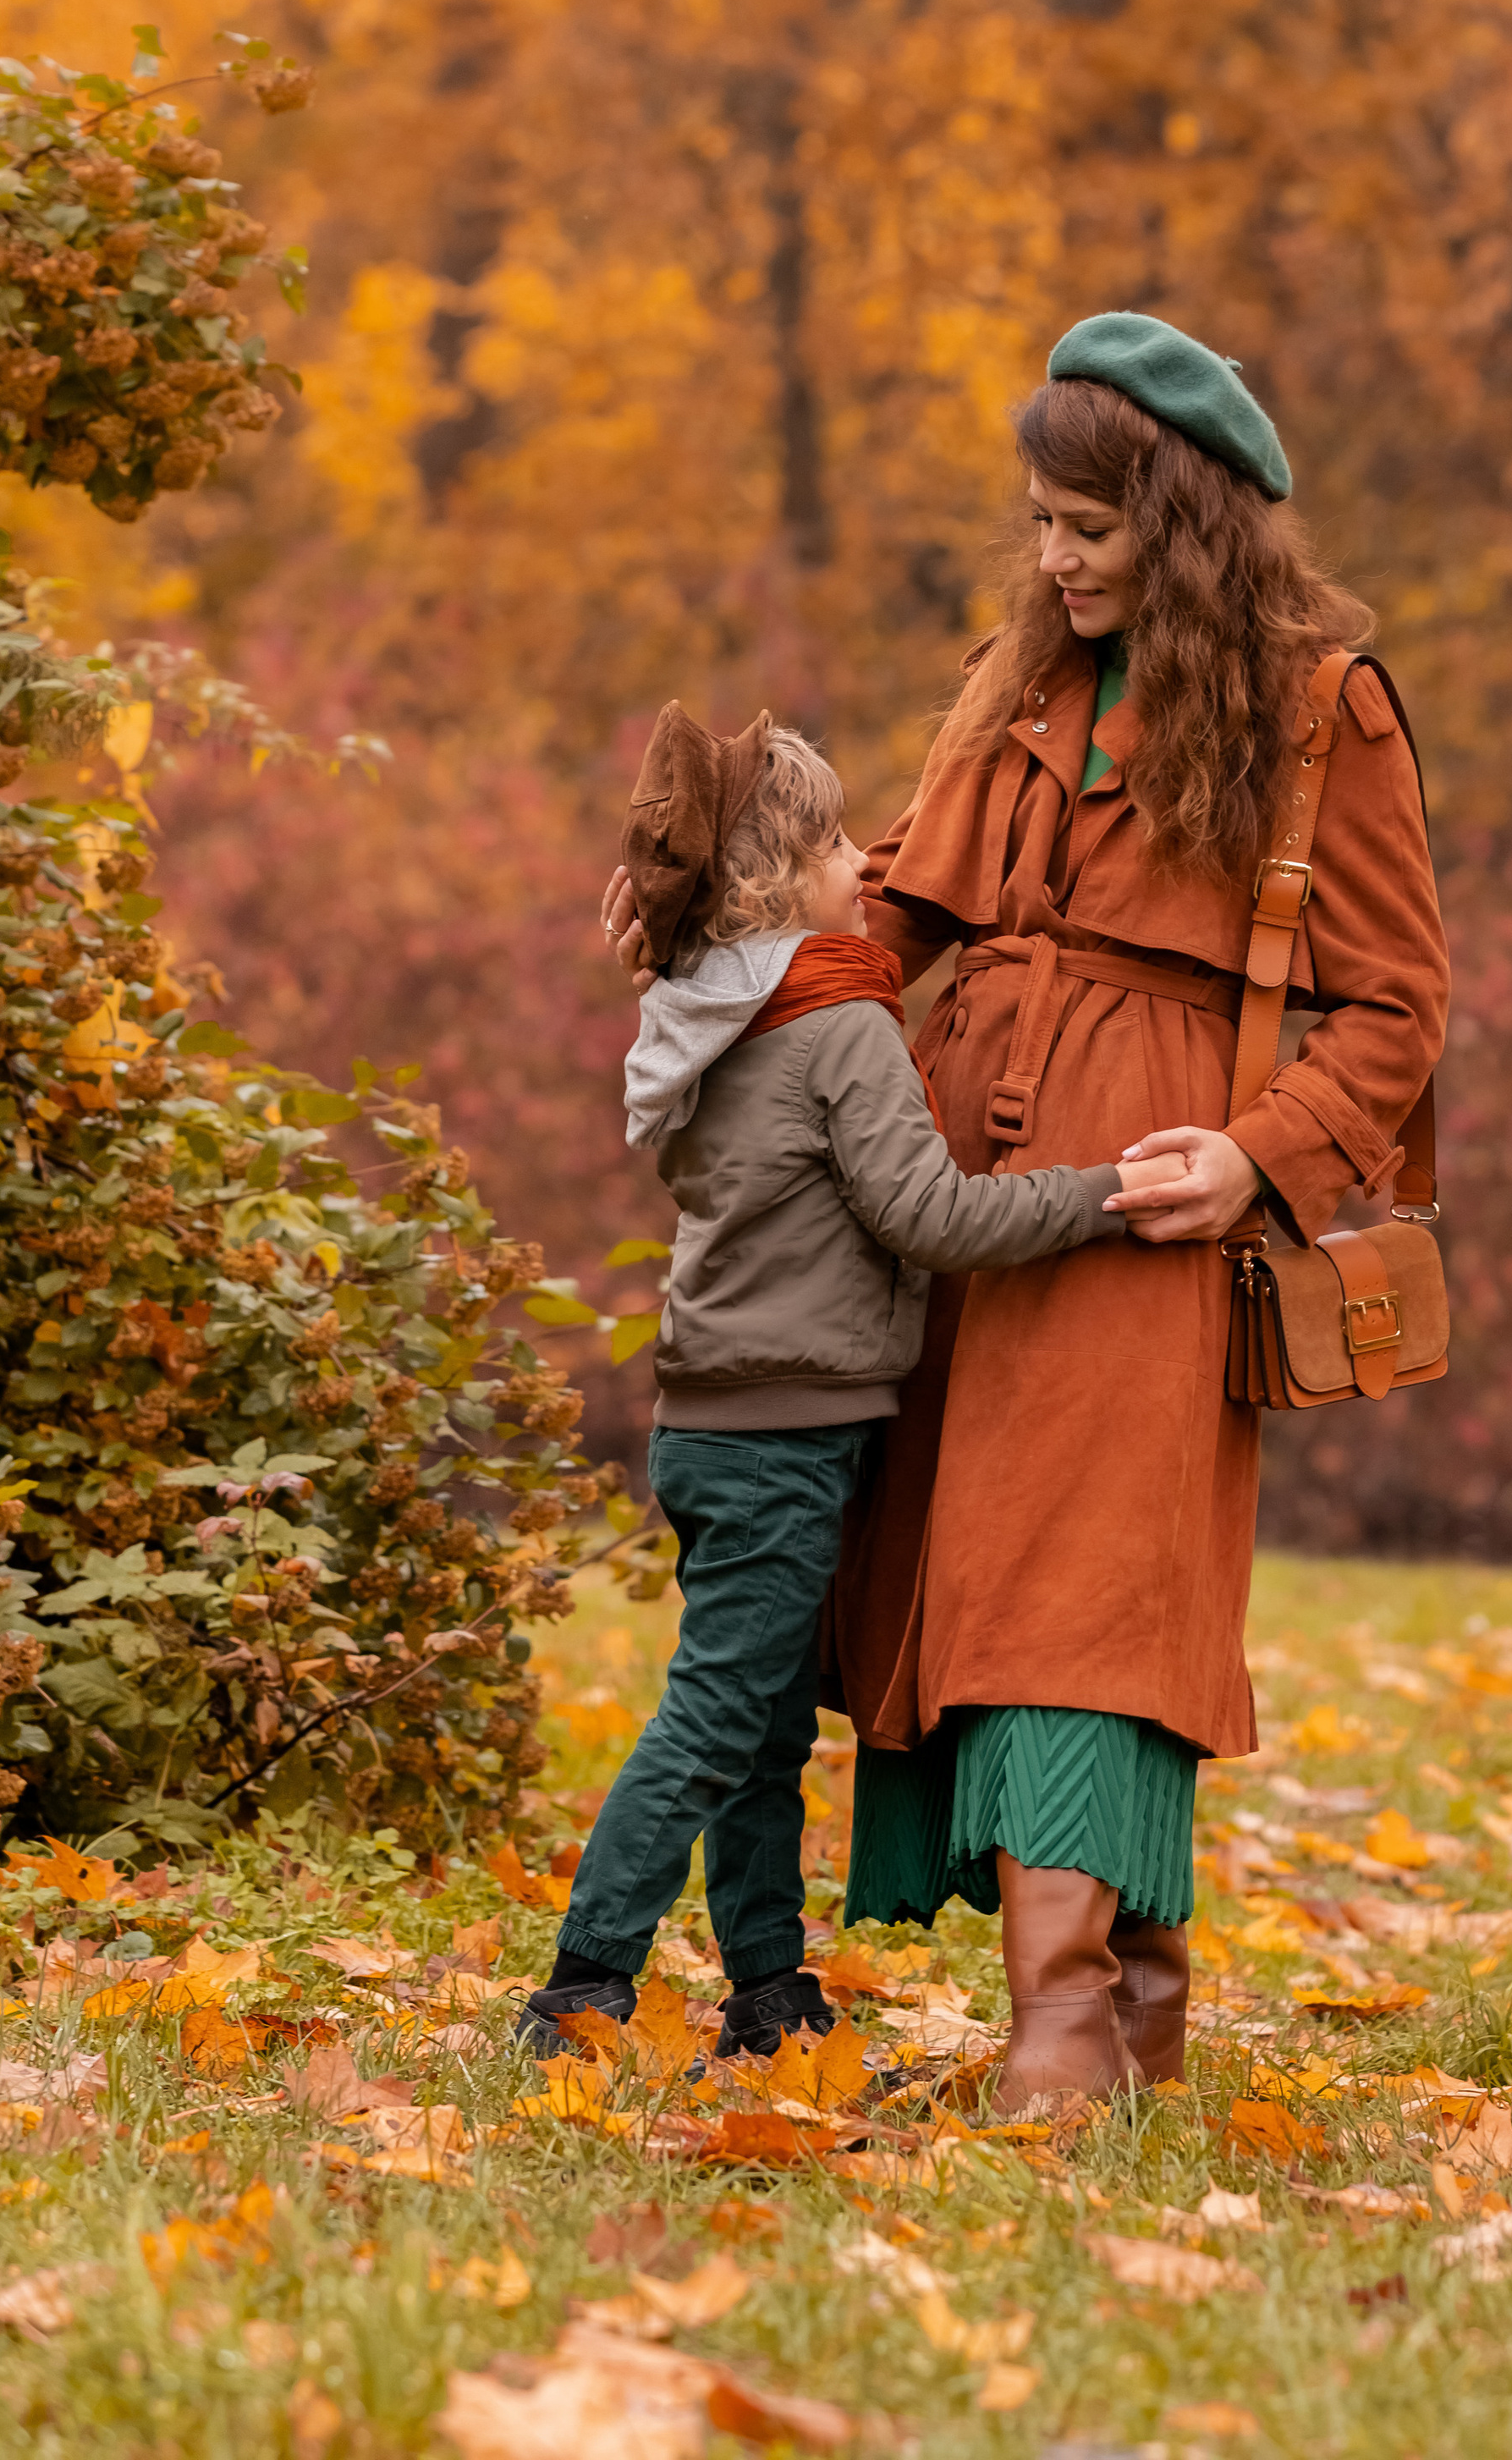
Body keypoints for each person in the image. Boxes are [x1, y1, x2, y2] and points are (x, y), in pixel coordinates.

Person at [602, 313, 1448, 2105]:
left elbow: (1397, 1006)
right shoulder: (1024, 675)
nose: (1053, 559)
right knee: (976, 1573)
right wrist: (720, 955)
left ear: (1186, 523)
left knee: (1090, 1586)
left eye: (1091, 528)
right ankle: (1128, 2014)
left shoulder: (1320, 708)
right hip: (948, 1186)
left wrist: (1259, 1152)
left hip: (1143, 1190)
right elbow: (898, 905)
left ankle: (1062, 2031)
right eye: (1043, 523)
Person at [522, 707, 1184, 2061]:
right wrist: (1104, 1193)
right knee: (718, 1722)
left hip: (709, 1423)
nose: (858, 867)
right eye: (834, 844)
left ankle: (767, 1990)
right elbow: (932, 1217)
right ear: (781, 881)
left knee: (759, 1730)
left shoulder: (710, 1012)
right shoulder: (838, 1023)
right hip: (784, 1434)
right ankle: (581, 1989)